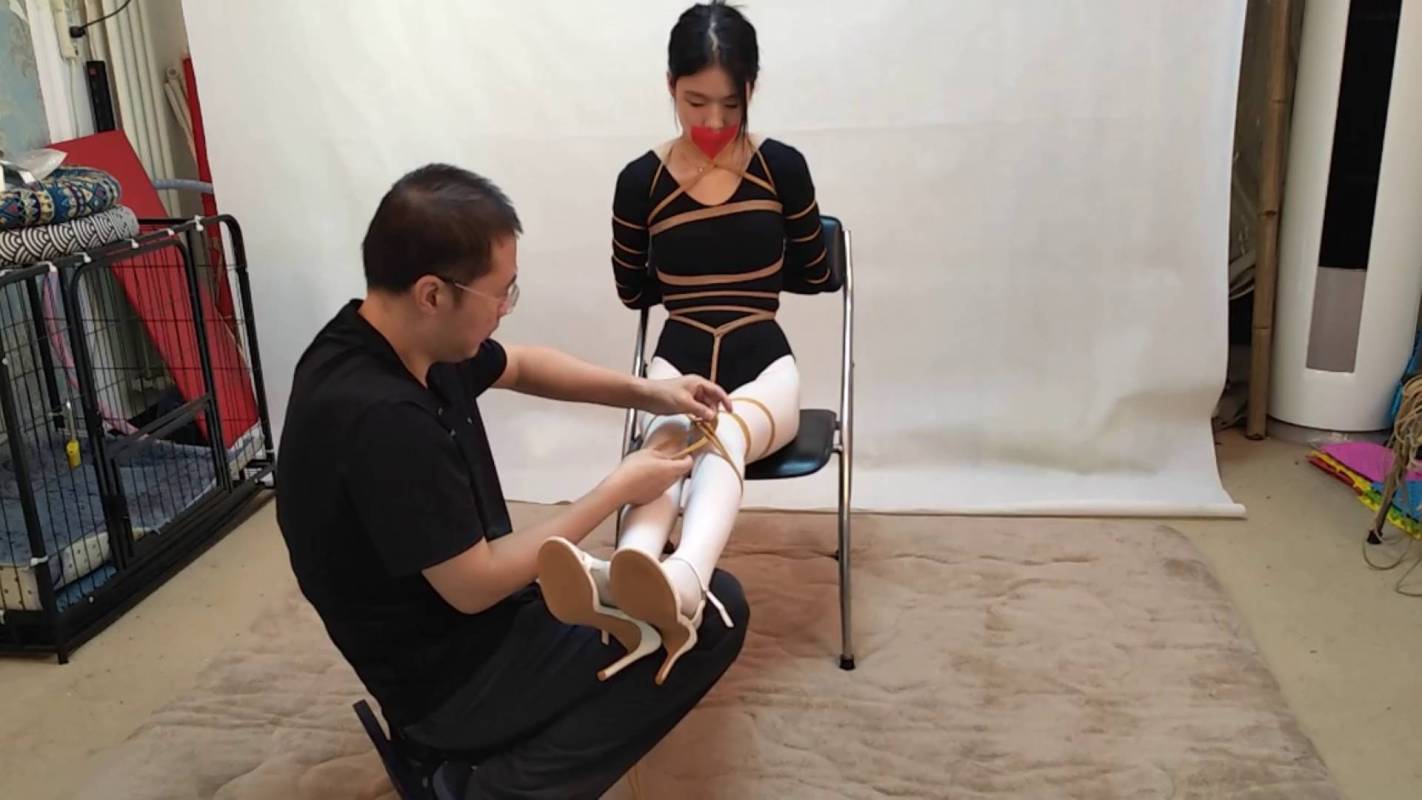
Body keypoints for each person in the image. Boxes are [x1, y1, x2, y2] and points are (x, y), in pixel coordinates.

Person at [274, 163, 750, 799]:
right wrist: (617, 488)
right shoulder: (382, 418)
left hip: (467, 627)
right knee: (709, 615)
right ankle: (488, 787)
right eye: (499, 294)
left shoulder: (390, 339)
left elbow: (523, 366)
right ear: (432, 294)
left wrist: (649, 391)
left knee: (642, 594)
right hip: (449, 681)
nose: (504, 309)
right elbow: (475, 586)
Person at [536, 0, 840, 687]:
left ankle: (682, 585)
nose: (712, 122)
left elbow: (820, 274)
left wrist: (726, 265)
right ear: (669, 86)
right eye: (694, 102)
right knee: (668, 444)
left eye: (729, 105)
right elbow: (632, 291)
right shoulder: (639, 183)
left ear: (751, 90)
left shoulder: (782, 167)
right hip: (676, 364)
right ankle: (628, 577)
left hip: (764, 368)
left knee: (719, 428)